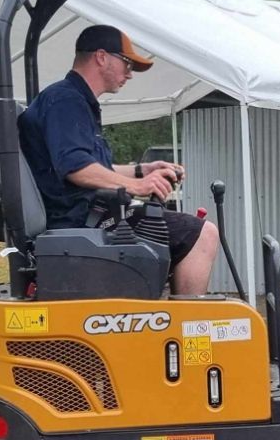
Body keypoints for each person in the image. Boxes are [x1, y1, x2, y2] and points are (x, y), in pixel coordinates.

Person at [19, 24, 218, 295]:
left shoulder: (70, 101)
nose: (130, 74)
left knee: (179, 232)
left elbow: (94, 169)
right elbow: (76, 168)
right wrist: (139, 187)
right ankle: (187, 329)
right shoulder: (66, 100)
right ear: (101, 57)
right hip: (82, 223)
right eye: (126, 63)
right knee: (203, 235)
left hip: (88, 216)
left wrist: (141, 170)